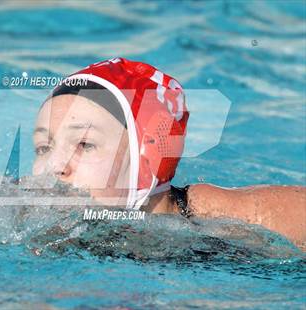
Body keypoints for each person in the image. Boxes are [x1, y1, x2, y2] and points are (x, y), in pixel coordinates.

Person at [33, 57, 305, 250]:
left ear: (148, 152)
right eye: (44, 148)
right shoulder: (34, 229)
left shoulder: (222, 218)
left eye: (84, 144)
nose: (56, 166)